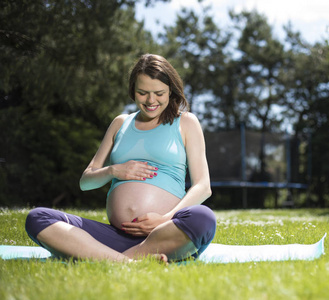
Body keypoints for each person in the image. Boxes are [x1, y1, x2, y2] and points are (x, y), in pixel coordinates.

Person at [25, 54, 216, 263]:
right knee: (38, 218)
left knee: (203, 218)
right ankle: (130, 261)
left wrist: (165, 219)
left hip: (165, 233)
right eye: (143, 93)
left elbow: (203, 186)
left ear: (171, 91)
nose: (151, 101)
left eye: (159, 93)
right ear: (132, 91)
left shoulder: (186, 122)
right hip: (115, 236)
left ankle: (106, 257)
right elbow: (85, 182)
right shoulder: (120, 123)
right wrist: (114, 170)